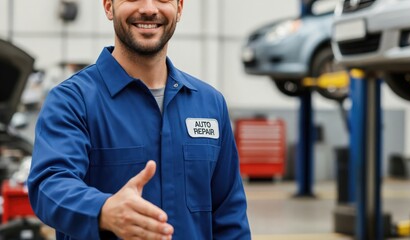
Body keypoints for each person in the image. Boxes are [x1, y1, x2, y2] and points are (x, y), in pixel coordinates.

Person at [27, 0, 251, 239]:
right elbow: (49, 185)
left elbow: (230, 215)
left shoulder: (209, 104)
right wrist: (103, 210)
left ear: (180, 8)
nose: (149, 8)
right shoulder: (73, 101)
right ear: (108, 6)